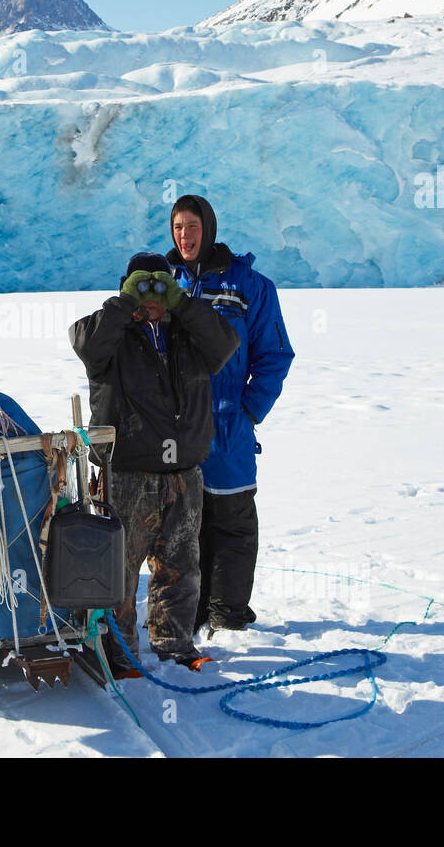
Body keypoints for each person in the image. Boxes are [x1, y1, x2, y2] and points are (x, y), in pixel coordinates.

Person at [69, 252, 238, 677]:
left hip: (184, 472)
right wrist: (126, 303)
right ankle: (120, 652)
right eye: (142, 287)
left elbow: (226, 344)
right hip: (127, 472)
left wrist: (181, 303)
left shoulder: (188, 333)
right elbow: (85, 342)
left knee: (180, 567)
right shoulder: (112, 335)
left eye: (159, 286)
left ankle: (174, 643)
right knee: (120, 571)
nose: (152, 298)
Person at [166, 195, 295, 636]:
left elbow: (275, 355)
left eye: (193, 226)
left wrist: (248, 412)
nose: (186, 236)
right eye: (179, 227)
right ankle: (195, 610)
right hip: (176, 430)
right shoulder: (163, 284)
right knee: (185, 526)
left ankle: (228, 613)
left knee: (233, 523)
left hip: (227, 428)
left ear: (210, 228)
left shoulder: (249, 285)